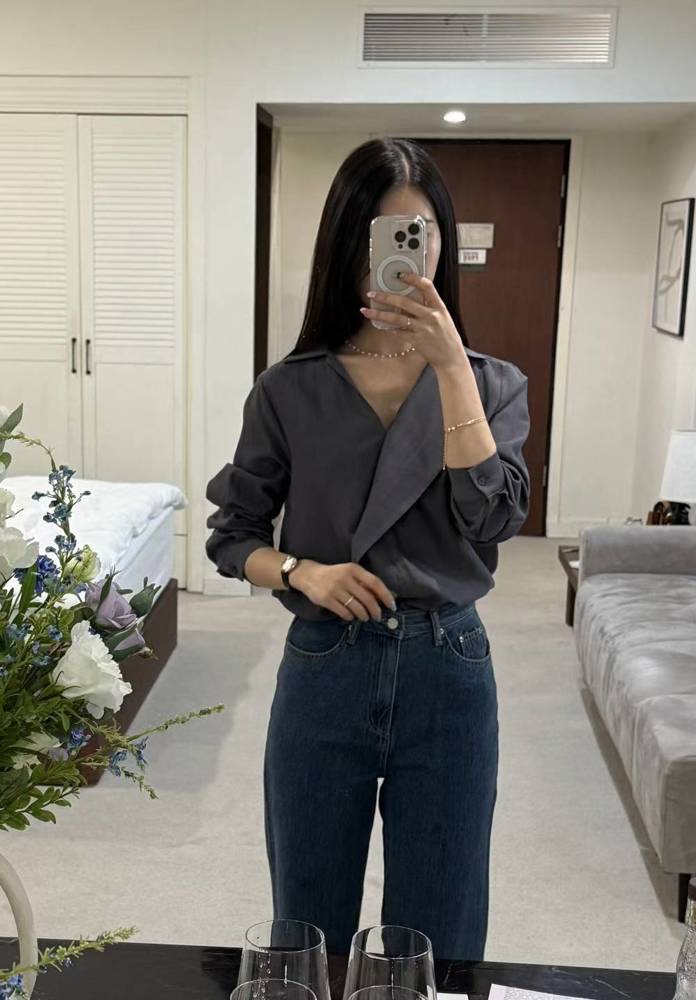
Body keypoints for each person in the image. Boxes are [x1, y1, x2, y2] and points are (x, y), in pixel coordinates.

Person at [205, 137, 531, 961]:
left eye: (420, 233)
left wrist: (450, 366)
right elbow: (233, 535)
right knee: (305, 928)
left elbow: (492, 520)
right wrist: (301, 571)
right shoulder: (290, 387)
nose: (403, 254)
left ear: (442, 243)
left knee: (440, 931)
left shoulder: (493, 385)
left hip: (447, 666)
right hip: (327, 660)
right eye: (380, 234)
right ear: (348, 244)